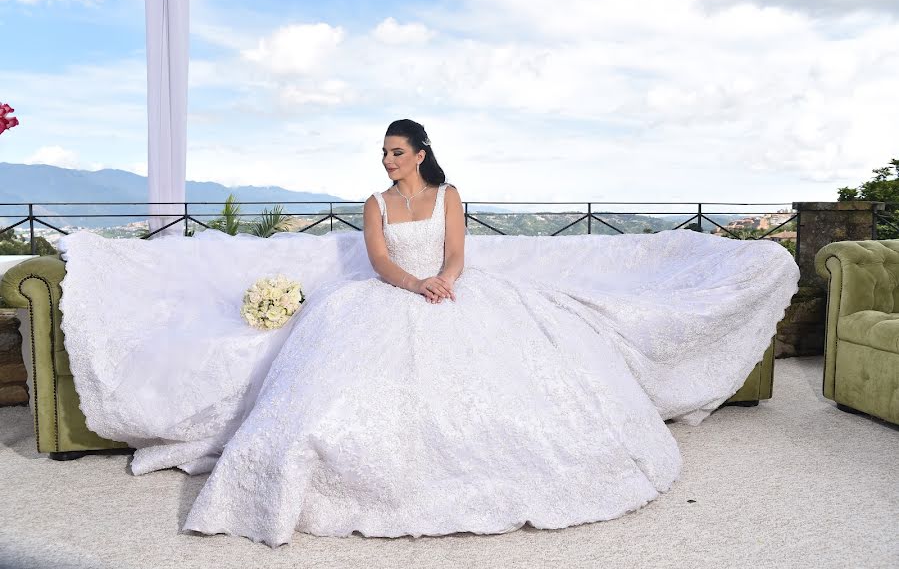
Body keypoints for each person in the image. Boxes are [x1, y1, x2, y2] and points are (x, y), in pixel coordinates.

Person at [55, 119, 797, 546]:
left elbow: (458, 253)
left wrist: (445, 280)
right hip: (387, 298)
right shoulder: (374, 203)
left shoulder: (448, 194)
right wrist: (412, 285)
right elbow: (377, 260)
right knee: (339, 381)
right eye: (382, 153)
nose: (387, 161)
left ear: (420, 153)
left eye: (396, 152)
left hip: (454, 291)